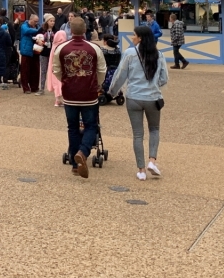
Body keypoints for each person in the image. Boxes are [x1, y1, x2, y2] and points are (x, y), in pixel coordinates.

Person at [108, 24, 168, 181]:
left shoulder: (129, 53)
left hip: (134, 97)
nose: (132, 37)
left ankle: (141, 170)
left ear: (140, 37)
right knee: (154, 129)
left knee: (138, 134)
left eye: (134, 35)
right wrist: (154, 86)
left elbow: (120, 74)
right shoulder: (159, 55)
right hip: (153, 98)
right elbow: (164, 78)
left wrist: (112, 92)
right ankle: (152, 161)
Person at [53, 17, 107, 178]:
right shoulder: (94, 48)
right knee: (91, 125)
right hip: (89, 93)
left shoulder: (61, 48)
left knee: (73, 127)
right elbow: (102, 69)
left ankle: (76, 164)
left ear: (70, 29)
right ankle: (83, 152)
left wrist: (66, 80)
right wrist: (97, 83)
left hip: (70, 93)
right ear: (85, 30)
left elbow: (56, 70)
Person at [45, 28, 68, 107]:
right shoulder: (63, 46)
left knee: (56, 84)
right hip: (61, 69)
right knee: (61, 83)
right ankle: (64, 100)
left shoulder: (54, 45)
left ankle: (57, 100)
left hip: (54, 68)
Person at [18, 14, 41, 93]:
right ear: (30, 20)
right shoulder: (24, 26)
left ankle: (34, 87)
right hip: (26, 51)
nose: (36, 23)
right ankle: (26, 88)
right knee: (25, 70)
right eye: (35, 21)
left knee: (35, 70)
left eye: (37, 21)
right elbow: (27, 31)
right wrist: (39, 31)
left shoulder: (37, 27)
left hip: (36, 51)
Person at [37, 14, 56, 95]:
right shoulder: (42, 29)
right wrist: (39, 41)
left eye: (53, 21)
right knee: (43, 70)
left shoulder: (56, 30)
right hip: (44, 52)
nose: (52, 23)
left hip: (53, 53)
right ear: (47, 21)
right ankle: (41, 88)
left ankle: (56, 88)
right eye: (51, 21)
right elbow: (36, 37)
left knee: (54, 71)